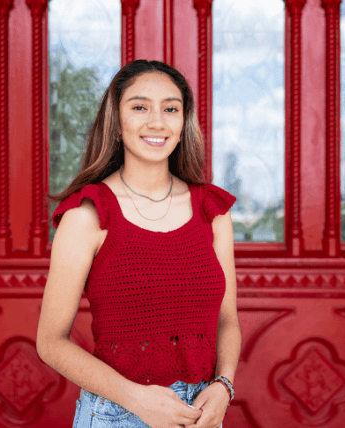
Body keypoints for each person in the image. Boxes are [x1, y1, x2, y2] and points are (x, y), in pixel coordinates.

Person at [36, 59, 240, 428]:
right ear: (116, 122)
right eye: (140, 107)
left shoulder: (213, 211)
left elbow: (227, 321)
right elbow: (51, 342)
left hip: (201, 417)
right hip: (118, 415)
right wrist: (137, 399)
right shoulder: (88, 214)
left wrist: (224, 385)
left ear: (183, 122)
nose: (157, 121)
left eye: (171, 109)